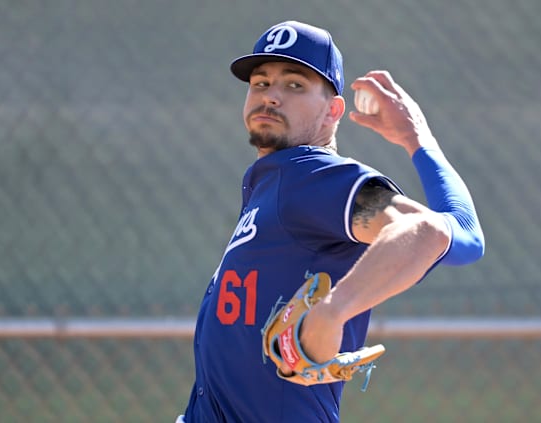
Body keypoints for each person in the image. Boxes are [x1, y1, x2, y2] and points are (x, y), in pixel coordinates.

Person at [178, 20, 484, 423]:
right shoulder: (272, 185)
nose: (271, 96)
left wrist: (333, 310)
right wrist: (418, 141)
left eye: (294, 85)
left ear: (333, 111)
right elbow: (463, 234)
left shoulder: (309, 175)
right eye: (260, 83)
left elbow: (424, 232)